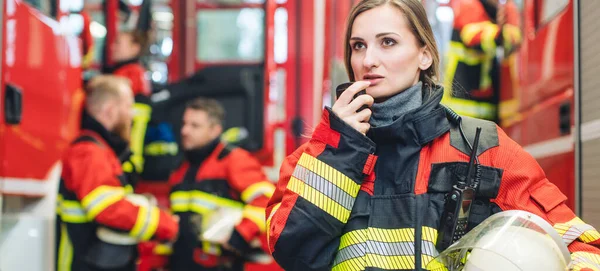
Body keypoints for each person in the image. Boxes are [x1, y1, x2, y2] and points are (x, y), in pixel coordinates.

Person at [266, 1, 600, 271]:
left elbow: (579, 244)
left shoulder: (481, 147)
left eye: (388, 42)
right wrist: (342, 149)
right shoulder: (322, 152)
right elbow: (293, 253)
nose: (369, 60)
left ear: (424, 55)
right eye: (358, 46)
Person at [56, 75, 179, 271]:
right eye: (128, 107)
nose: (131, 116)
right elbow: (107, 208)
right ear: (110, 110)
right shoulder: (89, 151)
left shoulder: (101, 149)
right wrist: (164, 224)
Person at [168, 98, 276, 271]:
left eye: (195, 126)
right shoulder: (181, 167)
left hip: (220, 264)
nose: (185, 130)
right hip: (182, 262)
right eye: (184, 124)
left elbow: (267, 200)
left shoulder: (234, 160)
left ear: (214, 130)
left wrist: (240, 235)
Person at [441, 0, 521, 122]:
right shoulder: (468, 5)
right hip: (462, 106)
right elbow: (474, 37)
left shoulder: (504, 8)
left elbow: (515, 37)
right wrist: (500, 33)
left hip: (487, 106)